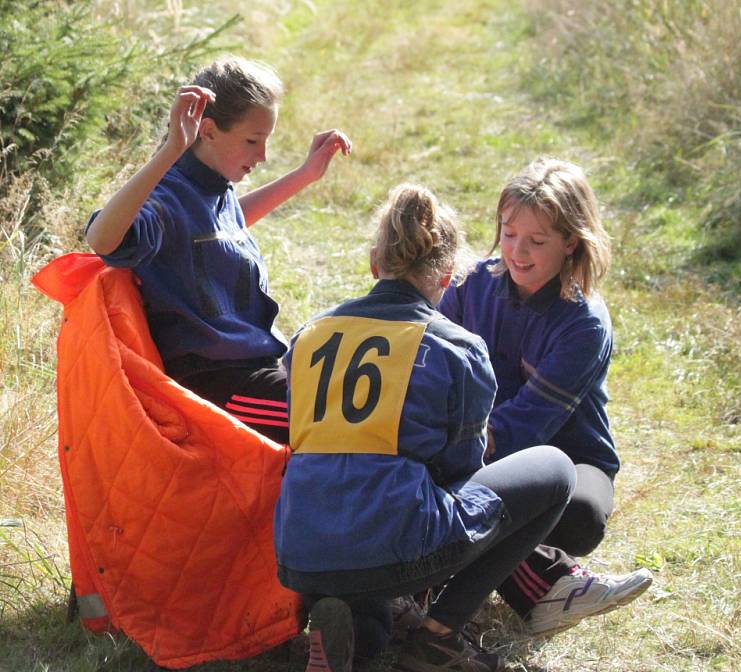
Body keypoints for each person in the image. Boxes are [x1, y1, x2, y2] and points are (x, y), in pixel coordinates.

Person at [274, 184, 578, 672]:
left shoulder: (308, 335)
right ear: (448, 274)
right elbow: (462, 472)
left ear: (376, 262)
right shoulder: (458, 348)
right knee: (556, 470)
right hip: (395, 541)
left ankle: (347, 626)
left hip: (298, 548)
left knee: (368, 616)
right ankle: (439, 635)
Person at [85, 56, 351, 444]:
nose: (261, 156)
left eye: (266, 141)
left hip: (255, 370)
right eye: (252, 140)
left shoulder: (213, 185)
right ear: (207, 132)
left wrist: (304, 175)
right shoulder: (169, 195)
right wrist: (171, 149)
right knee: (348, 424)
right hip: (218, 386)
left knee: (363, 400)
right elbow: (102, 240)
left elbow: (224, 227)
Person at [437, 157, 652, 638]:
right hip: (470, 442)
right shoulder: (471, 285)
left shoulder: (583, 322)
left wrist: (447, 459)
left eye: (537, 241)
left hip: (566, 457)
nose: (517, 251)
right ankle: (551, 588)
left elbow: (525, 425)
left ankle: (448, 551)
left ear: (571, 241)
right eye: (509, 233)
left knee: (578, 517)